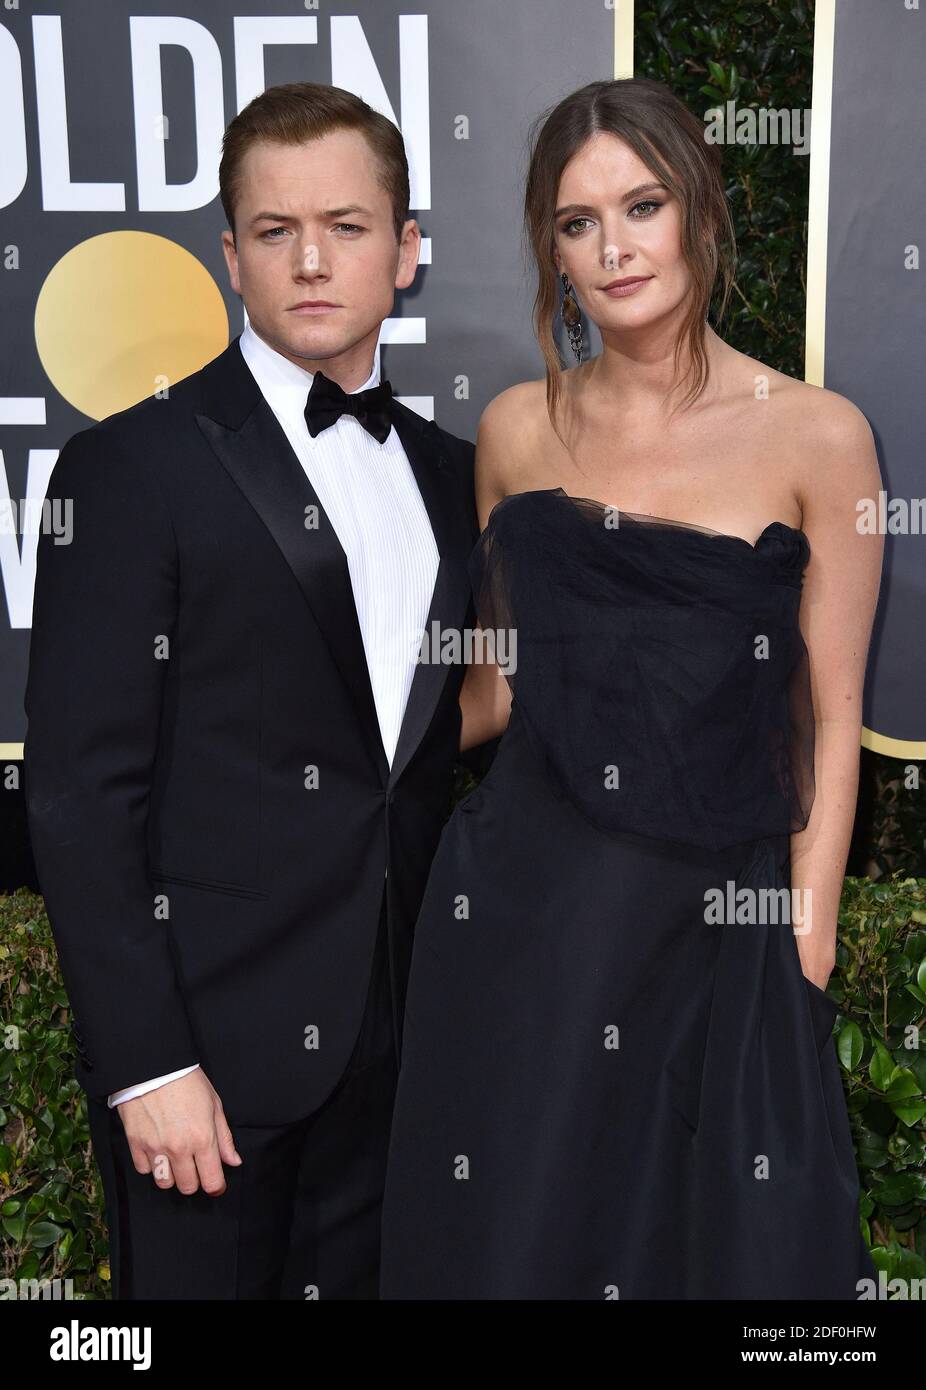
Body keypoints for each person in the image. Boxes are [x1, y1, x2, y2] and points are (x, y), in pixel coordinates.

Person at [380, 77, 883, 1300]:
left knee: (714, 1254)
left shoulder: (818, 435)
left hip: (714, 929)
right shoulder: (514, 430)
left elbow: (826, 712)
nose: (612, 247)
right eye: (574, 221)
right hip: (520, 925)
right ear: (547, 253)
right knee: (518, 1243)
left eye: (640, 204)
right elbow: (497, 686)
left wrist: (803, 939)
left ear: (698, 213)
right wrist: (314, 742)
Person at [24, 81, 480, 1300]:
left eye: (346, 224)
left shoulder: (457, 477)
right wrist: (145, 1065)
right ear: (231, 257)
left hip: (405, 1051)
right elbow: (77, 793)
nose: (313, 260)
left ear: (407, 249)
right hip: (210, 1066)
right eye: (274, 232)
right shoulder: (129, 467)